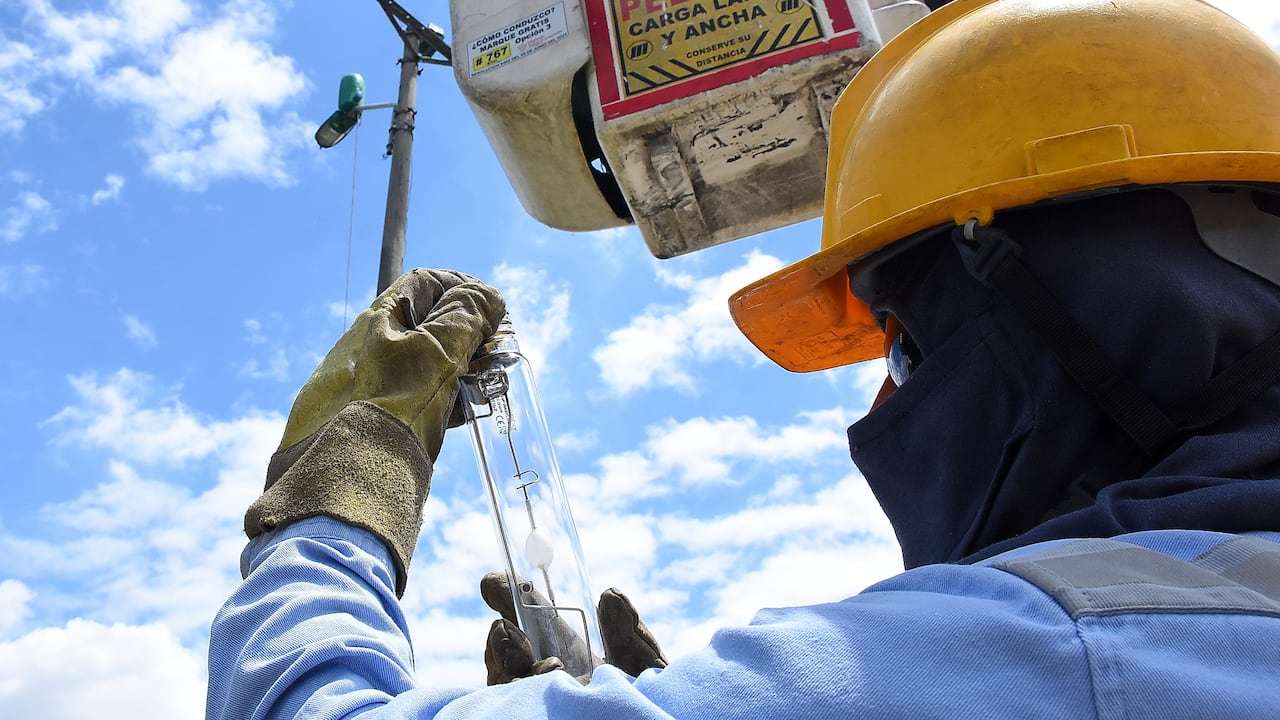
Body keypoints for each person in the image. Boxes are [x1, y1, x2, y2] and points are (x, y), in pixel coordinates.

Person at [207, 0, 1280, 717]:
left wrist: (336, 491)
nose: (884, 403)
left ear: (1062, 303)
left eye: (908, 346)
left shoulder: (1059, 654)